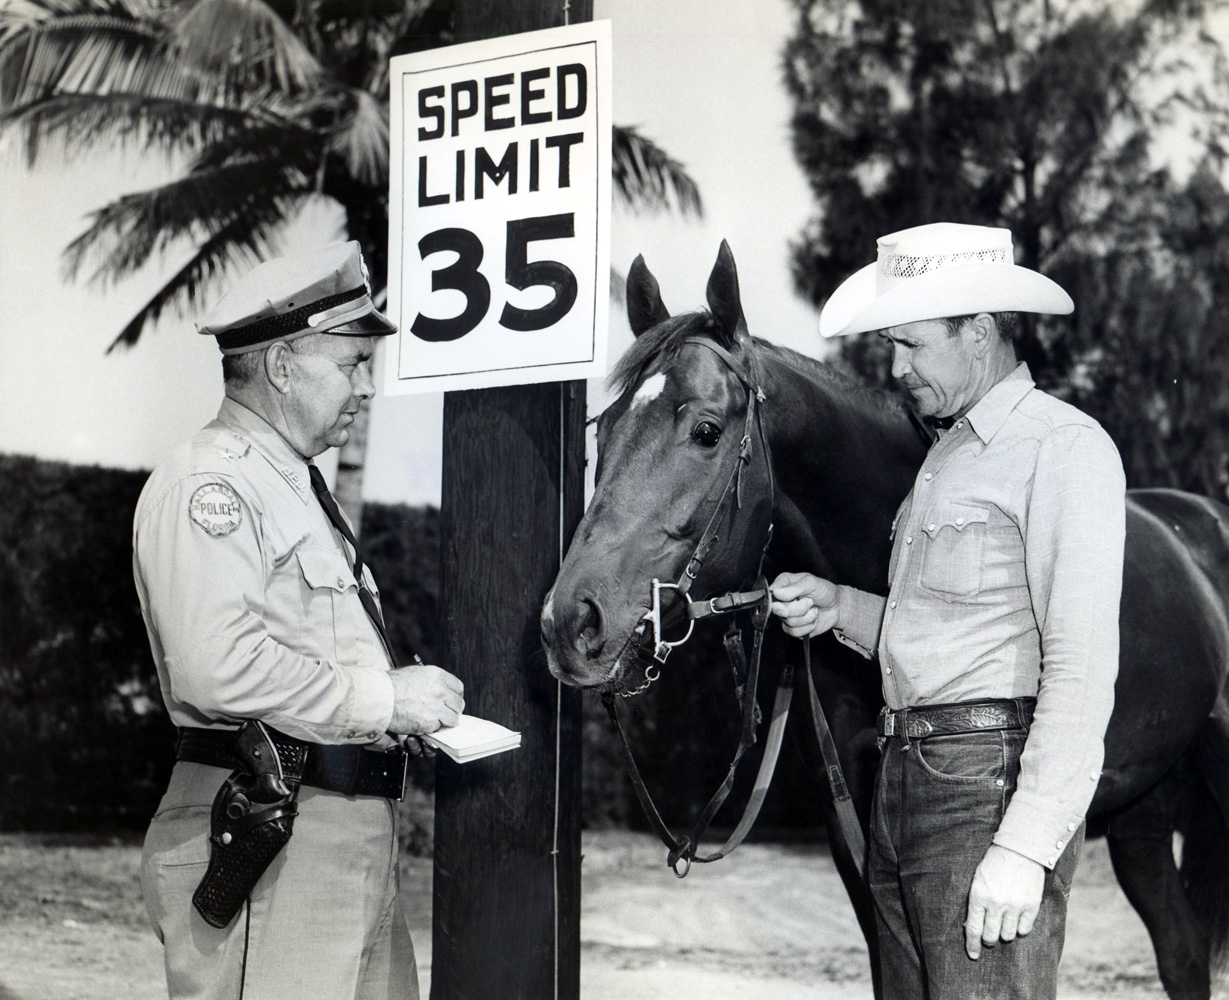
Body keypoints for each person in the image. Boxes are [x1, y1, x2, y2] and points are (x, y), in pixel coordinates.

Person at [770, 223, 1126, 999]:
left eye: (911, 345)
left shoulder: (1061, 446)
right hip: (901, 781)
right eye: (889, 346)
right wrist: (837, 606)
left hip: (983, 788)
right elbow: (935, 630)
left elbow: (1081, 660)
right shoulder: (945, 454)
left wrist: (1026, 846)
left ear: (978, 332)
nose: (894, 368)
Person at [134, 241, 463, 1000]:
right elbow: (215, 667)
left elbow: (308, 655)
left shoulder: (292, 489)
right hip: (270, 832)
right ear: (282, 366)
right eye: (350, 364)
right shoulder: (211, 483)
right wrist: (384, 699)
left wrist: (388, 716)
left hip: (331, 837)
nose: (367, 387)